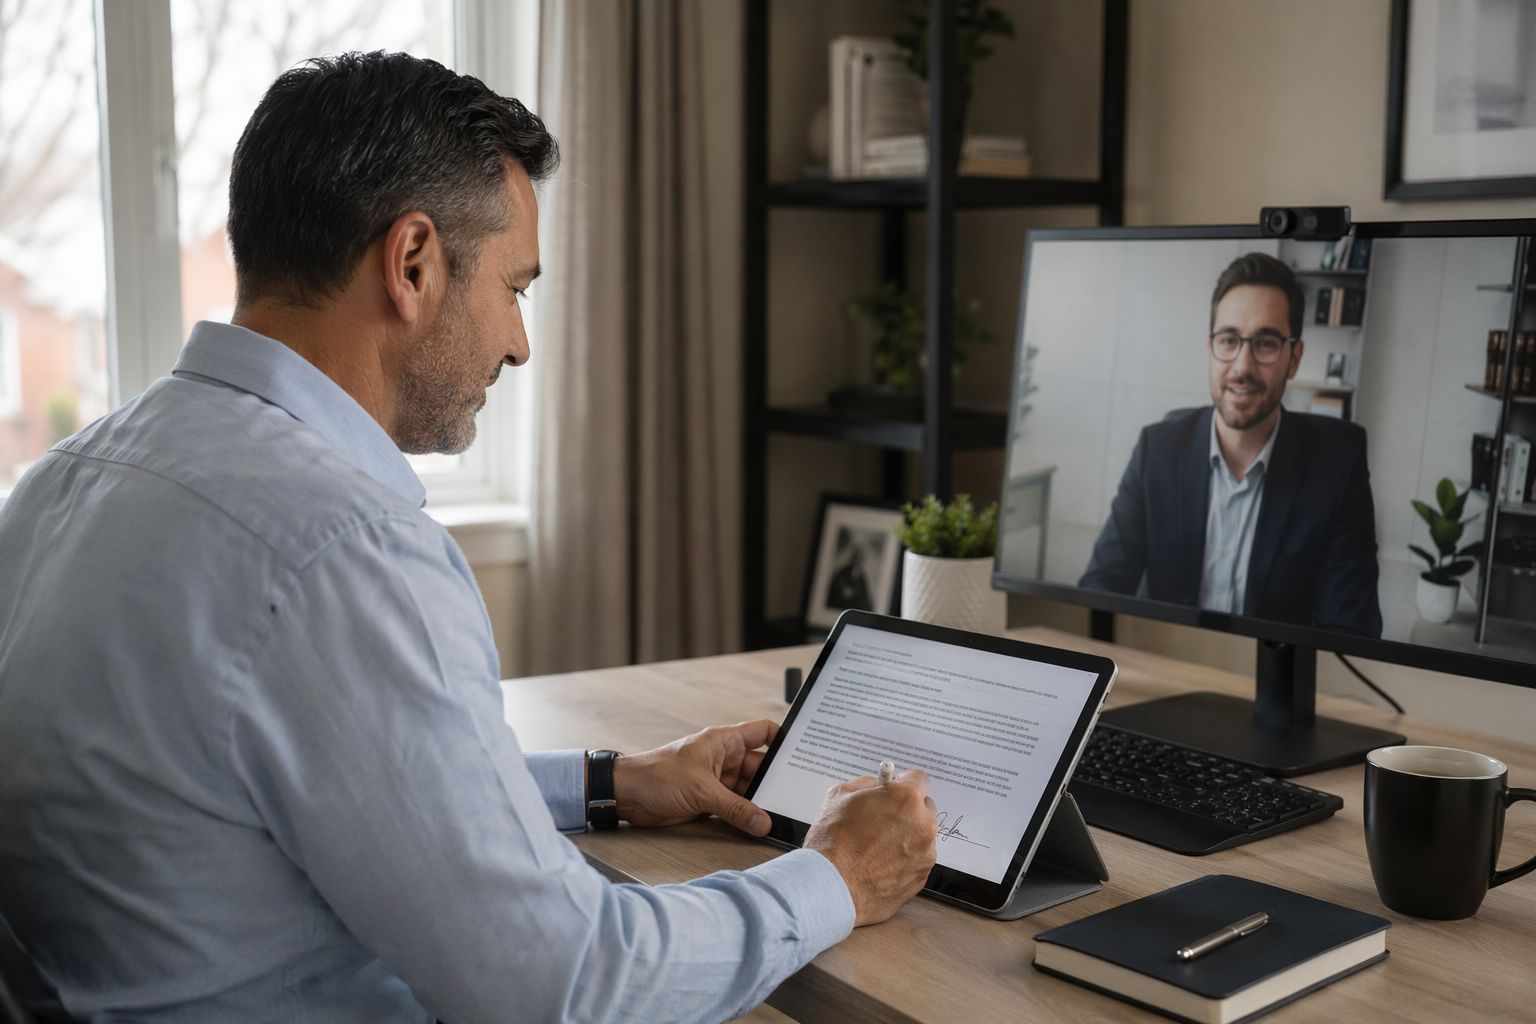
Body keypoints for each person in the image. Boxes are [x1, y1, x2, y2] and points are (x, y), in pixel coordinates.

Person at [0, 53, 939, 1023]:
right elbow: (567, 984)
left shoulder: (63, 484)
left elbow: (307, 788)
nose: (520, 343)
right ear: (413, 263)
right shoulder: (342, 549)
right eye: (515, 288)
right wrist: (834, 874)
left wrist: (614, 783)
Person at [1078, 252, 1382, 637]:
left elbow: (1350, 631)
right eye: (1229, 340)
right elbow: (1101, 586)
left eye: (1266, 343)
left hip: (1276, 683)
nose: (1242, 366)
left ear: (1294, 358)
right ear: (1210, 350)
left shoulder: (1338, 474)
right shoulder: (1156, 451)